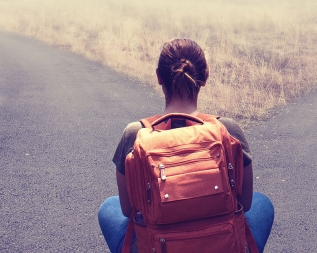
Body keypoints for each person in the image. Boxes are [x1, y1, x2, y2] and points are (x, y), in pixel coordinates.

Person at [98, 38, 274, 253]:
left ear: (159, 77)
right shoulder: (228, 130)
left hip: (158, 246)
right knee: (260, 203)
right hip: (222, 244)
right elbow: (244, 203)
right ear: (205, 76)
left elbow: (128, 209)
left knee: (110, 207)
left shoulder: (135, 134)